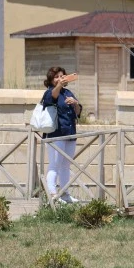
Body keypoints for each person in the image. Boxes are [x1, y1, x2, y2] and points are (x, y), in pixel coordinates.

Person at [42, 66, 82, 203]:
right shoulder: (49, 93)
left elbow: (77, 112)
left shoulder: (68, 92)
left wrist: (75, 103)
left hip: (70, 133)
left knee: (66, 165)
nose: (60, 79)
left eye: (62, 76)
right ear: (51, 79)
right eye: (56, 77)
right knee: (55, 164)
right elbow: (51, 99)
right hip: (56, 134)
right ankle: (52, 195)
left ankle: (65, 193)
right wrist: (59, 85)